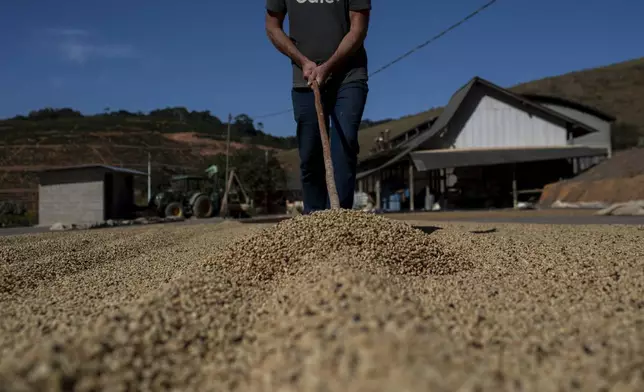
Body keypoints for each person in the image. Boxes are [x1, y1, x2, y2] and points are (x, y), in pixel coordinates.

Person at [265, 0, 371, 214]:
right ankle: (313, 218)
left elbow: (358, 27)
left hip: (348, 75)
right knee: (310, 150)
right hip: (306, 78)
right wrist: (302, 60)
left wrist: (329, 65)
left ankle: (340, 217)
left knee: (344, 143)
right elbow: (272, 26)